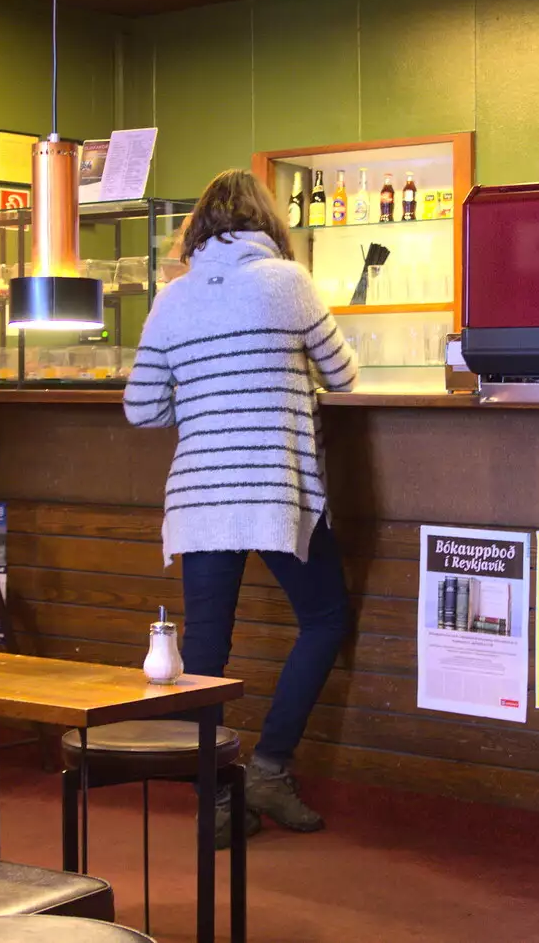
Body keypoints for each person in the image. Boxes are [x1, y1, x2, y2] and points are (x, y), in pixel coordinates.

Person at [123, 169, 359, 847]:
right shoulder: (288, 282)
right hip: (276, 493)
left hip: (200, 497)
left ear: (197, 229)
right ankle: (269, 770)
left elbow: (142, 408)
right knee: (324, 618)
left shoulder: (173, 300)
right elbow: (344, 377)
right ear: (267, 225)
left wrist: (195, 400)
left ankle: (215, 800)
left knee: (204, 649)